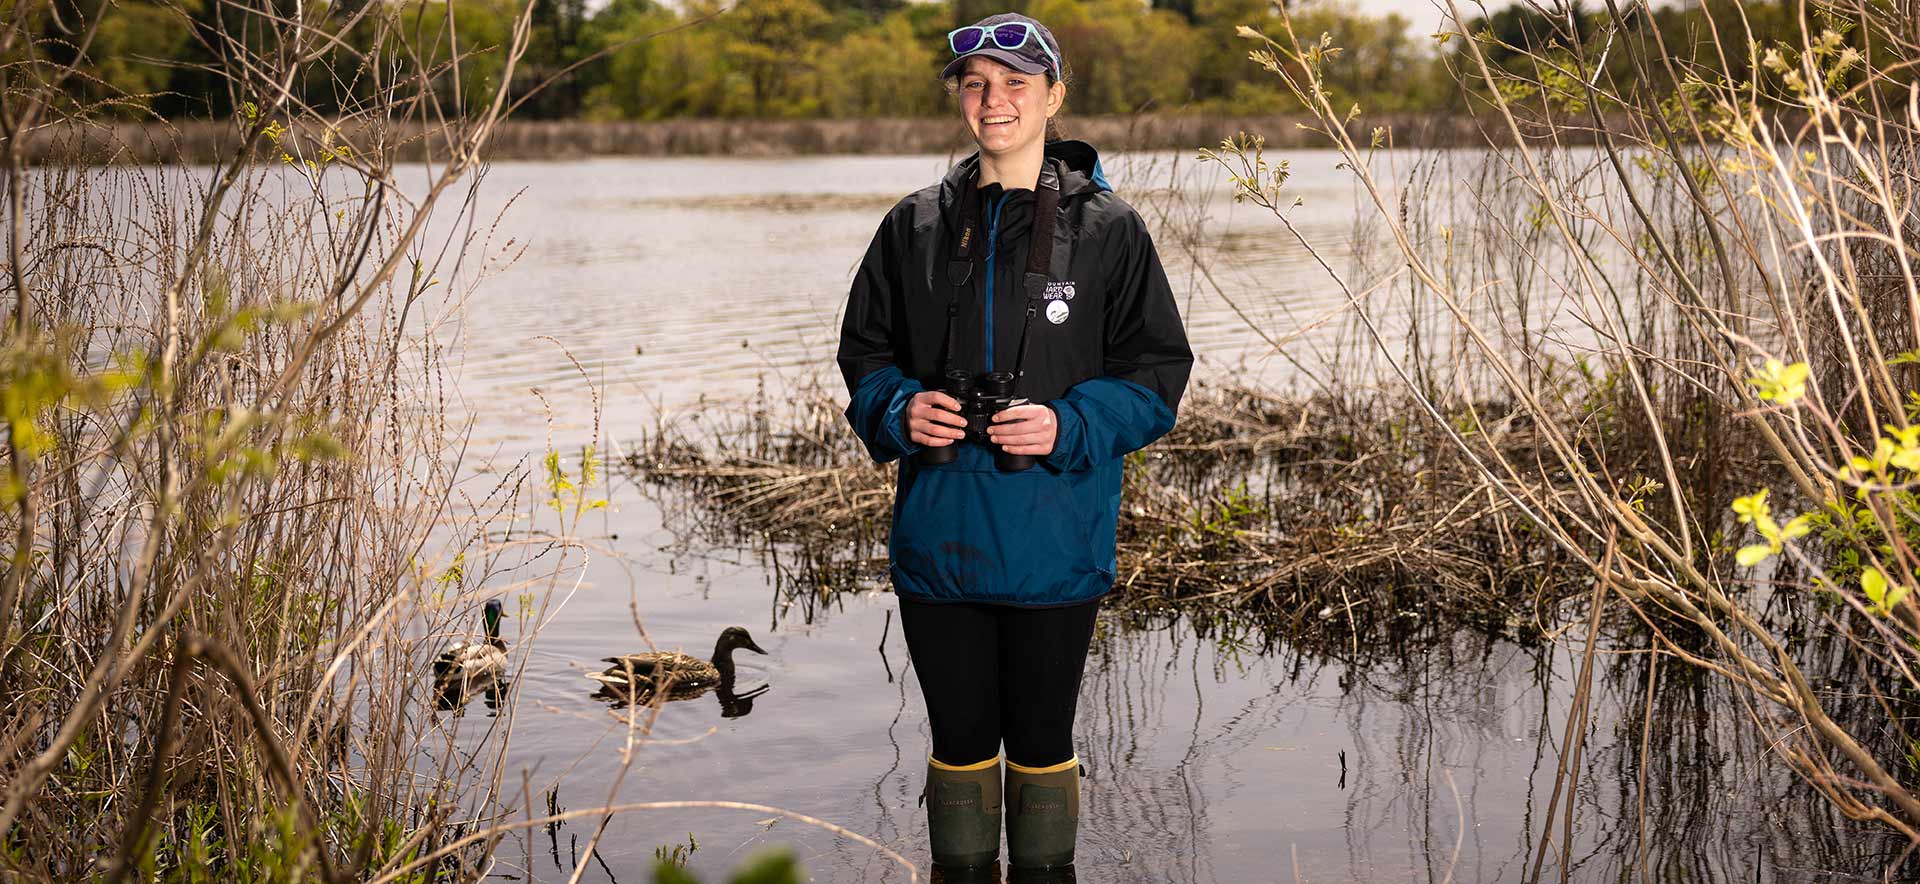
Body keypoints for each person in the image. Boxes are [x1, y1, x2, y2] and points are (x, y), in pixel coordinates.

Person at [836, 11, 1192, 875]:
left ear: (1053, 97)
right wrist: (898, 411)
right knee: (958, 745)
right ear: (963, 99)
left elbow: (1156, 372)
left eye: (1015, 84)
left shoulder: (1110, 229)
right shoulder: (912, 225)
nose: (993, 101)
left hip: (1055, 542)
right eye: (976, 85)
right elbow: (866, 355)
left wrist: (1069, 424)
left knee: (1041, 742)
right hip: (940, 541)